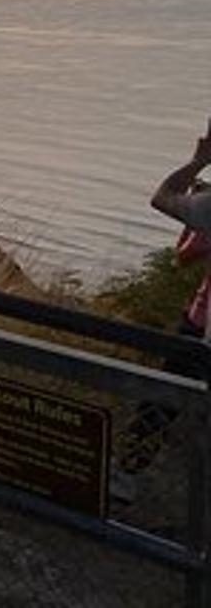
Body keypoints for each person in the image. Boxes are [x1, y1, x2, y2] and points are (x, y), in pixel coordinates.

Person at [119, 118, 211, 492]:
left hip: (201, 327)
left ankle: (127, 475)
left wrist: (198, 160)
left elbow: (163, 197)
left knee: (162, 401)